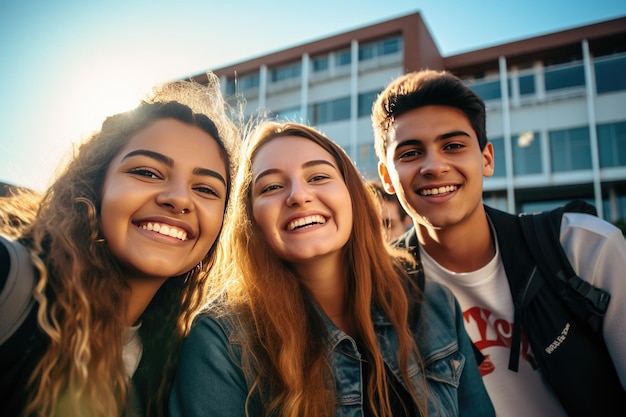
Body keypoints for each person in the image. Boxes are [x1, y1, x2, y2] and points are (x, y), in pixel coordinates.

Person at [169, 121, 494, 417]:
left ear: (352, 195)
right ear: (251, 219)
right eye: (271, 187)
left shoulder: (432, 303)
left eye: (318, 177)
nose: (299, 196)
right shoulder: (222, 339)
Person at [371, 69, 626, 416]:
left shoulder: (582, 247)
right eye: (411, 153)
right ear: (387, 175)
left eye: (453, 146)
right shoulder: (380, 289)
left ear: (486, 158)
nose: (434, 166)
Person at [0, 73, 240, 417]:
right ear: (94, 187)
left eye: (205, 189)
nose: (178, 199)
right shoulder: (11, 279)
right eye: (148, 172)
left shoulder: (174, 362)